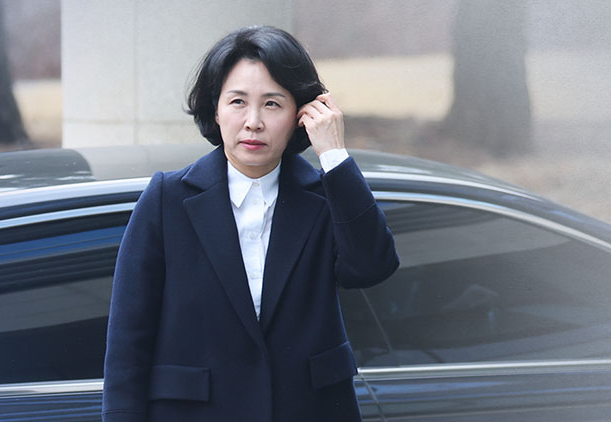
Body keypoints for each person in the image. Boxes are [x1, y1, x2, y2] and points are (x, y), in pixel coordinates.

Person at [103, 25, 399, 422]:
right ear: (215, 109)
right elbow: (128, 340)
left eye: (272, 104)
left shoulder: (326, 196)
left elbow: (371, 266)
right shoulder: (167, 199)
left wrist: (334, 155)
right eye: (238, 102)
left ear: (301, 113)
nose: (253, 122)